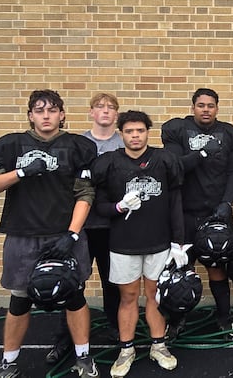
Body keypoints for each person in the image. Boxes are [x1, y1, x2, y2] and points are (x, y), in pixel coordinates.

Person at [0, 89, 99, 377]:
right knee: (20, 299)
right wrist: (20, 172)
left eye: (52, 110)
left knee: (74, 295)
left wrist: (71, 234)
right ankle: (8, 362)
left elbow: (85, 194)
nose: (47, 116)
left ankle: (83, 357)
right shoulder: (11, 145)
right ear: (31, 115)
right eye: (40, 110)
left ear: (62, 114)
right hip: (23, 233)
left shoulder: (78, 146)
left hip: (64, 232)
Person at [92, 110, 188, 377]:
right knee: (128, 297)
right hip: (123, 242)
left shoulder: (165, 160)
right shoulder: (109, 163)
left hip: (158, 242)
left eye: (140, 131)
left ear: (148, 132)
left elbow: (175, 203)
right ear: (121, 134)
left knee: (156, 297)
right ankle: (127, 349)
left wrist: (178, 242)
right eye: (130, 131)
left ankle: (158, 346)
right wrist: (119, 206)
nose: (135, 136)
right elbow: (99, 206)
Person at [46, 92, 124, 365]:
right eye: (100, 107)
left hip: (111, 223)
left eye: (111, 107)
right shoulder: (76, 143)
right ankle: (64, 337)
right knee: (71, 281)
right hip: (80, 224)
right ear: (91, 112)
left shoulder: (123, 141)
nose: (105, 111)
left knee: (112, 280)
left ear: (116, 114)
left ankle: (115, 326)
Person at [161, 88, 233, 341]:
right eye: (201, 105)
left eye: (210, 105)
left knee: (218, 267)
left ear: (217, 108)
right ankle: (176, 320)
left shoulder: (229, 133)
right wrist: (203, 152)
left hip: (215, 212)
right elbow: (176, 166)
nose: (206, 109)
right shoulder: (177, 130)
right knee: (181, 267)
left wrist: (227, 203)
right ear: (193, 107)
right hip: (184, 212)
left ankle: (224, 318)